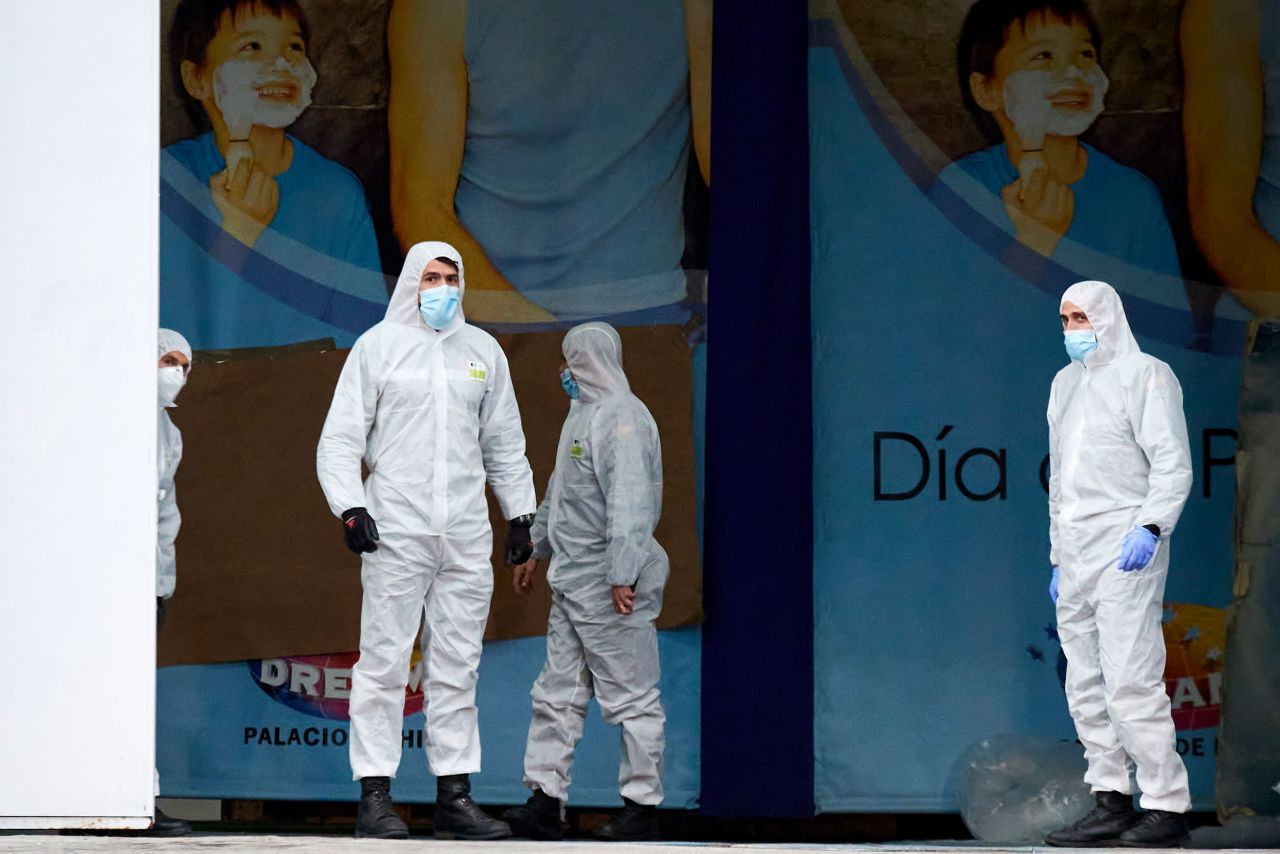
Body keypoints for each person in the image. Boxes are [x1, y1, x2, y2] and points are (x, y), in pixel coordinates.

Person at [316, 241, 537, 840]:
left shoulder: (483, 352)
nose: (443, 288)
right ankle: (375, 796)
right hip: (397, 530)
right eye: (431, 277)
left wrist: (520, 515)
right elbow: (339, 439)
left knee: (458, 667)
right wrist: (351, 507)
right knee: (384, 663)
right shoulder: (378, 348)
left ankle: (455, 795)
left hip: (465, 533)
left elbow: (505, 443)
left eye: (452, 277)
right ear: (412, 282)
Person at [386, 0, 710, 322]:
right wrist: (544, 345)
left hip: (654, 323)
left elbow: (742, 187)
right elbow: (420, 210)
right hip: (498, 324)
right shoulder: (440, 8)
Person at [501, 322, 668, 842]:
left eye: (568, 360)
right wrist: (536, 546)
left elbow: (631, 504)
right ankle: (545, 802)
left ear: (586, 361)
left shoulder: (623, 419)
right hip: (574, 580)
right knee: (556, 693)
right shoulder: (583, 414)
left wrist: (622, 573)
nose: (563, 372)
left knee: (632, 695)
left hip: (610, 583)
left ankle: (643, 804)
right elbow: (562, 491)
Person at [1044, 280, 1193, 848]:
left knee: (1131, 678)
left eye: (1081, 317)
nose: (1072, 329)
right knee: (1083, 679)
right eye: (1065, 318)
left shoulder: (1147, 375)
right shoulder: (1064, 384)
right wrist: (1059, 557)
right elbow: (1061, 481)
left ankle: (1165, 803)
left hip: (1126, 544)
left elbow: (1172, 463)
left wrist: (1151, 527)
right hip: (1077, 547)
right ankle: (1110, 798)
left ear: (1108, 316)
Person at [163, 0, 387, 349]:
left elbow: (362, 349)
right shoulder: (167, 183)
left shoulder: (337, 195)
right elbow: (171, 348)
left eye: (294, 47)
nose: (282, 63)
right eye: (252, 47)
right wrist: (238, 235)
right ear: (196, 78)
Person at [932, 0, 1180, 288]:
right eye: (1044, 56)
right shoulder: (961, 191)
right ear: (986, 90)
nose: (1074, 71)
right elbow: (942, 323)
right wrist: (1034, 243)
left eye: (1086, 54)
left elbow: (1163, 329)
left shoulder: (1133, 198)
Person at [154, 327, 194, 838]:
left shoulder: (169, 432)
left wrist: (161, 585)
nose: (177, 374)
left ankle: (140, 795)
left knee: (137, 694)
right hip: (100, 584)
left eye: (185, 365)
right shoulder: (111, 421)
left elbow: (166, 519)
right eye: (167, 360)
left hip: (142, 583)